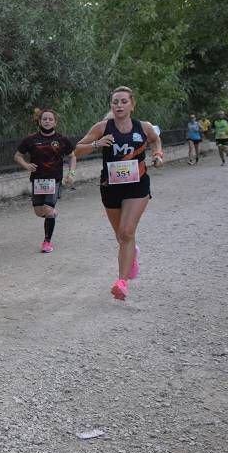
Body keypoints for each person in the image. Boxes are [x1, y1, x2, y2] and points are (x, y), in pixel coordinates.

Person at [74, 86, 163, 301]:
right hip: (110, 186)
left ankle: (121, 282)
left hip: (137, 186)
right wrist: (96, 144)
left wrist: (158, 154)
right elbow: (77, 150)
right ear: (111, 105)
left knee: (126, 231)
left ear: (132, 104)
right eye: (115, 102)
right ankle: (132, 255)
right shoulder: (103, 127)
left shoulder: (144, 127)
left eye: (123, 101)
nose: (119, 105)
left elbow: (155, 140)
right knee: (121, 236)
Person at [13, 108, 77, 253]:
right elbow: (17, 156)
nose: (47, 121)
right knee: (38, 212)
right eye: (44, 119)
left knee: (47, 210)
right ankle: (52, 214)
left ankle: (47, 242)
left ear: (55, 122)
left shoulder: (62, 140)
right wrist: (26, 165)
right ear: (39, 121)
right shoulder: (30, 140)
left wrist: (71, 173)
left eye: (50, 119)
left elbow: (72, 156)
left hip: (54, 180)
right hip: (38, 180)